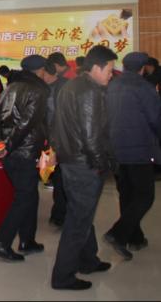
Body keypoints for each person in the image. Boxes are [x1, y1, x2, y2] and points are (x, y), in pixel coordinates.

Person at [50, 45, 118, 291]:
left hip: (70, 160)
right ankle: (63, 276)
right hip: (84, 164)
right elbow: (91, 136)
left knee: (82, 214)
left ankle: (88, 260)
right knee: (78, 221)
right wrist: (100, 165)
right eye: (109, 69)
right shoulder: (90, 91)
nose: (111, 74)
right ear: (97, 67)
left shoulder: (72, 85)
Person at [104, 52, 161, 261]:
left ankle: (135, 237)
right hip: (139, 149)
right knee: (145, 195)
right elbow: (157, 119)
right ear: (142, 68)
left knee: (126, 193)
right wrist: (155, 138)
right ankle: (118, 233)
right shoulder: (145, 88)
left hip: (116, 149)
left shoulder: (112, 86)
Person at [0, 54, 50, 262]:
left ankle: (27, 240)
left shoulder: (9, 88)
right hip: (24, 151)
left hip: (11, 153)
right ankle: (2, 243)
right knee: (24, 198)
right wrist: (7, 146)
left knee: (30, 196)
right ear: (40, 71)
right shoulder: (37, 91)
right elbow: (26, 124)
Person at [45, 55, 70, 227]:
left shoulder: (63, 88)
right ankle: (58, 214)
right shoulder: (47, 88)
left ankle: (61, 215)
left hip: (61, 139)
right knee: (57, 177)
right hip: (52, 139)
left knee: (62, 178)